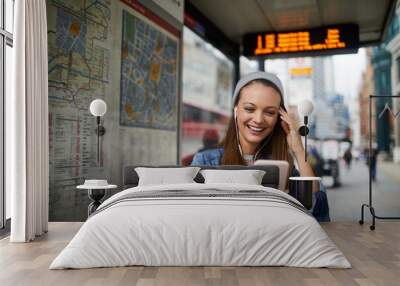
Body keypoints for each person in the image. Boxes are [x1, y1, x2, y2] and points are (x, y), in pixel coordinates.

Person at [191, 71, 330, 222]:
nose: (258, 119)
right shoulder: (205, 161)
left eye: (270, 112)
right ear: (236, 110)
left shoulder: (283, 166)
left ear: (279, 118)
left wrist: (298, 149)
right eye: (250, 109)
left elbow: (315, 210)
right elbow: (193, 216)